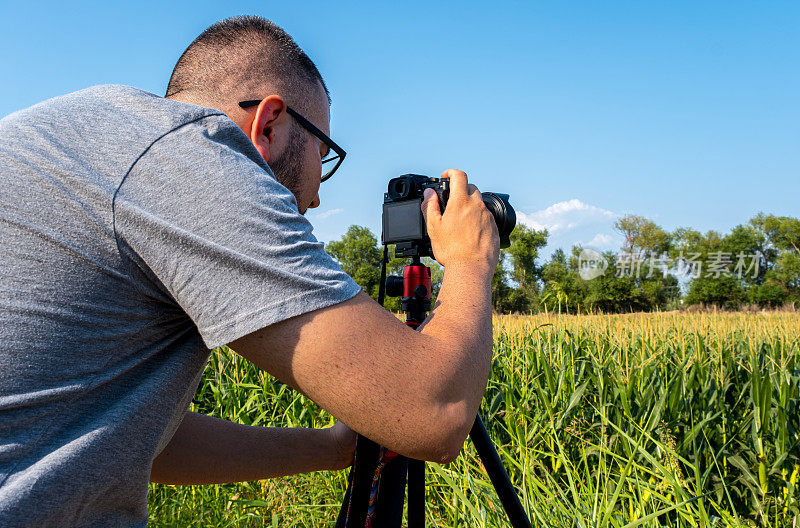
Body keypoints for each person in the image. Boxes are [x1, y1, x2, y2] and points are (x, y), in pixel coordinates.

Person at [0, 15, 499, 527]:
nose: (317, 194)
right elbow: (433, 414)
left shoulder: (74, 132)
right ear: (270, 124)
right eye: (323, 157)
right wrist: (470, 260)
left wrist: (332, 449)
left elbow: (126, 439)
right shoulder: (191, 158)